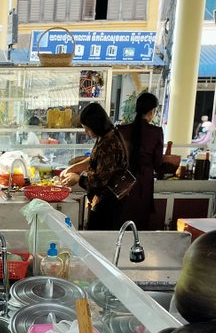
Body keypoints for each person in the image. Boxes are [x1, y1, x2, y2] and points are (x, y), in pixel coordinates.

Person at [58, 102, 128, 230]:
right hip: (102, 201)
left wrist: (78, 178)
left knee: (100, 240)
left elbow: (100, 181)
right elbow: (94, 159)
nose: (86, 132)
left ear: (96, 125)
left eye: (87, 128)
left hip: (109, 204)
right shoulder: (105, 137)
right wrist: (73, 168)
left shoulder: (110, 143)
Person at [117, 92, 164, 230]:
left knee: (121, 221)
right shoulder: (156, 132)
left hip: (123, 182)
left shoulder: (122, 129)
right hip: (144, 182)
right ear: (152, 111)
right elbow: (157, 163)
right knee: (139, 225)